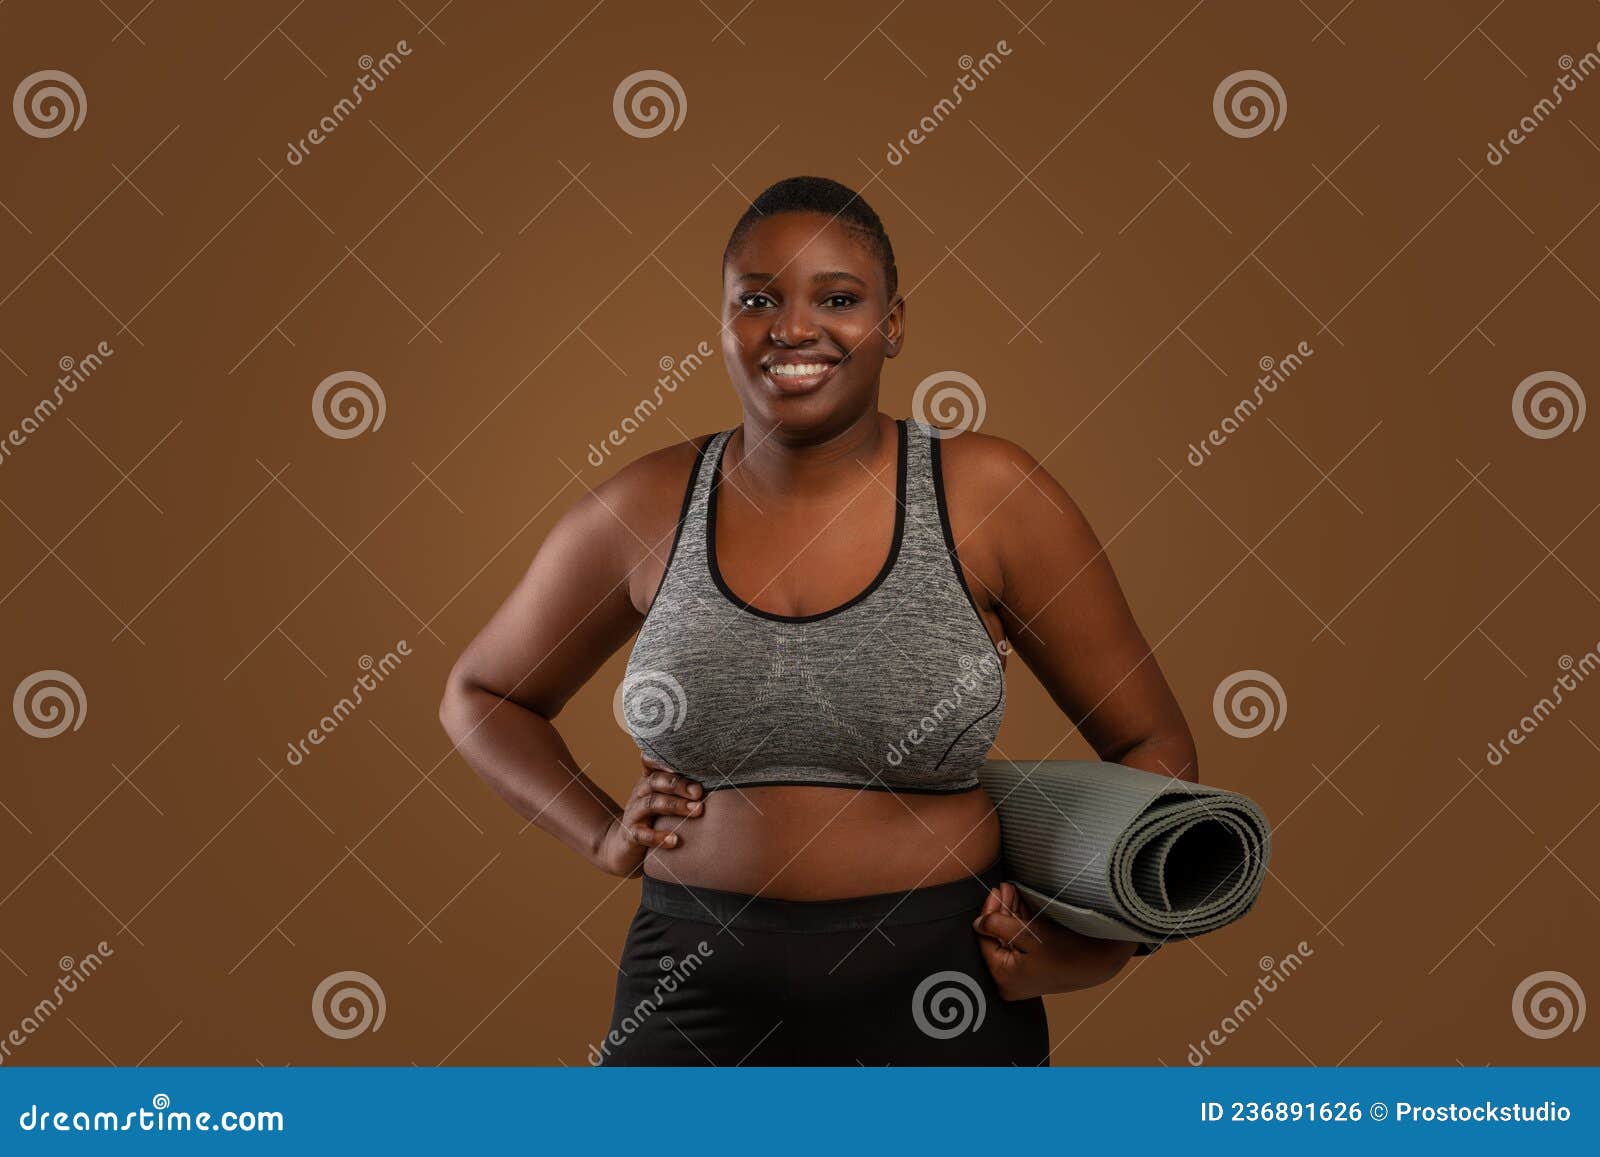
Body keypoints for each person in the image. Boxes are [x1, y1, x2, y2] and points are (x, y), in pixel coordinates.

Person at [438, 175, 1199, 1065]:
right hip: (692, 986)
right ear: (722, 322)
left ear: (894, 323)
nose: (793, 329)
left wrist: (1103, 946)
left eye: (838, 298)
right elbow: (482, 695)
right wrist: (600, 832)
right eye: (757, 300)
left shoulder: (991, 496)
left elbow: (1156, 748)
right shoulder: (645, 505)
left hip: (941, 989)